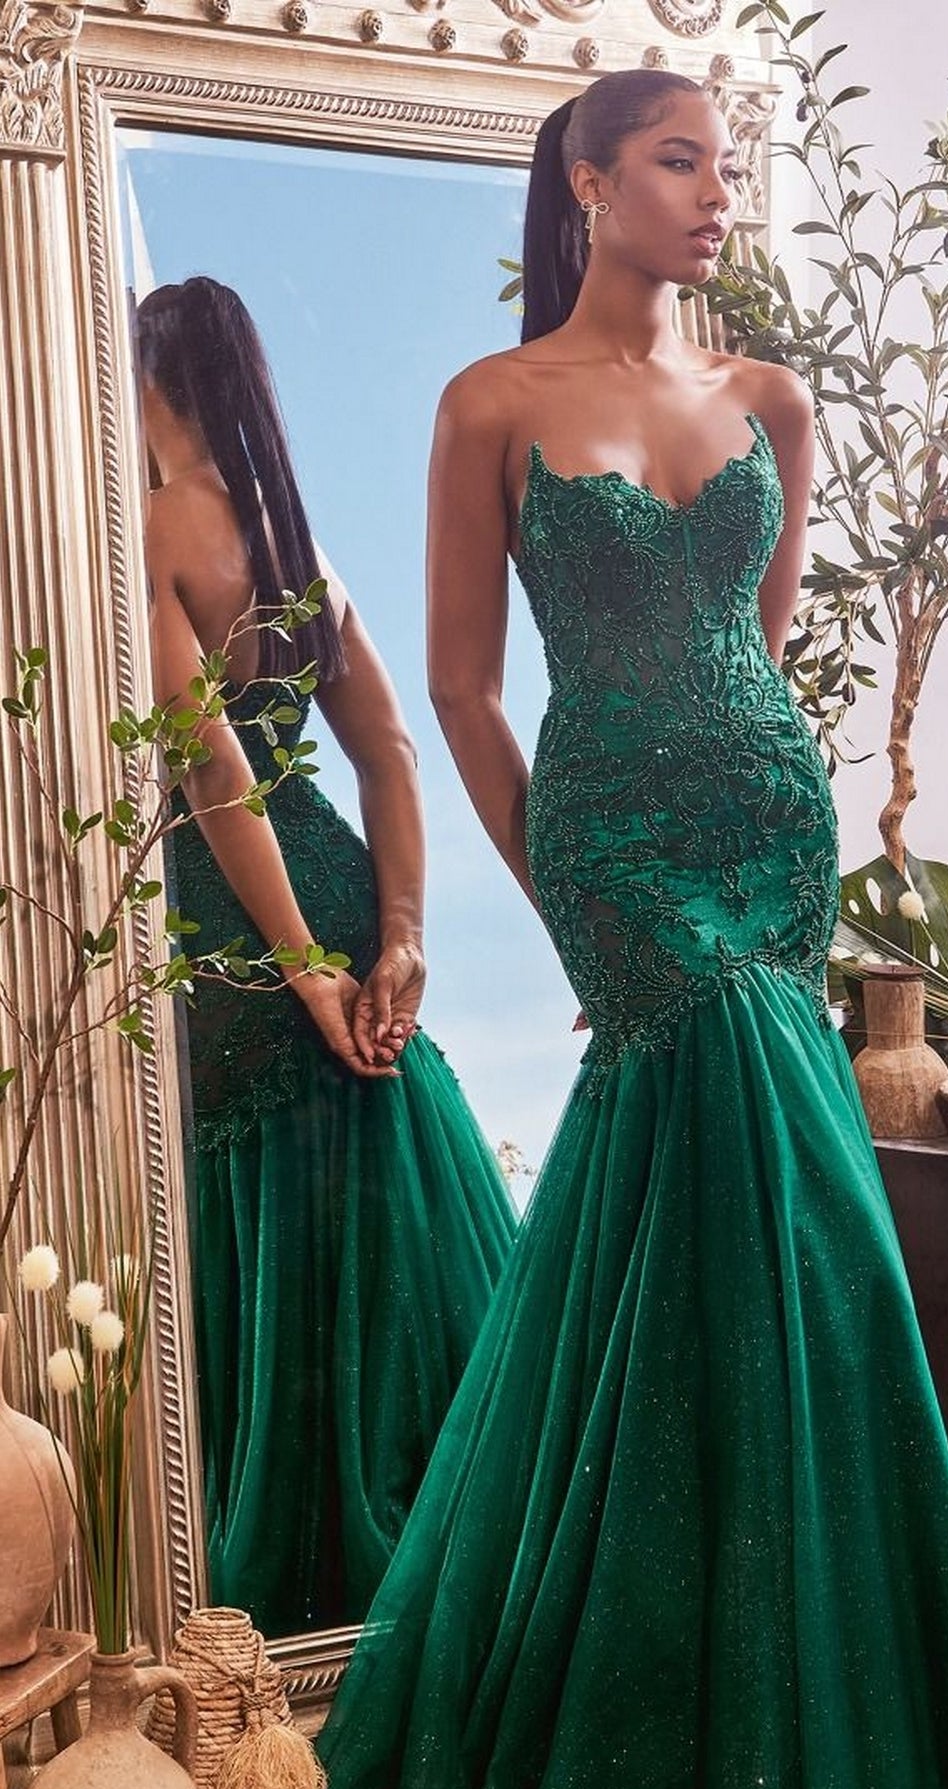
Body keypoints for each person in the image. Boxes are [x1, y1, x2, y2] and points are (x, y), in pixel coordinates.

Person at [295, 72, 948, 1789]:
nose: (717, 194)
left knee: (791, 1244)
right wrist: (564, 882)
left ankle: (786, 1721)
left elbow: (762, 654)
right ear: (590, 179)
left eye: (728, 164)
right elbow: (461, 692)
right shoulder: (491, 403)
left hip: (770, 832)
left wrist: (766, 796)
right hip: (619, 853)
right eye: (679, 161)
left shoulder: (773, 399)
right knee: (758, 1205)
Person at [135, 277, 516, 1639]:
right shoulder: (300, 546)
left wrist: (299, 967)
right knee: (379, 1208)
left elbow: (213, 777)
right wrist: (399, 936)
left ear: (147, 379)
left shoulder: (150, 528)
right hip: (343, 891)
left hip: (240, 920)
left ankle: (299, 1614)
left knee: (277, 1218)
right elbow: (391, 752)